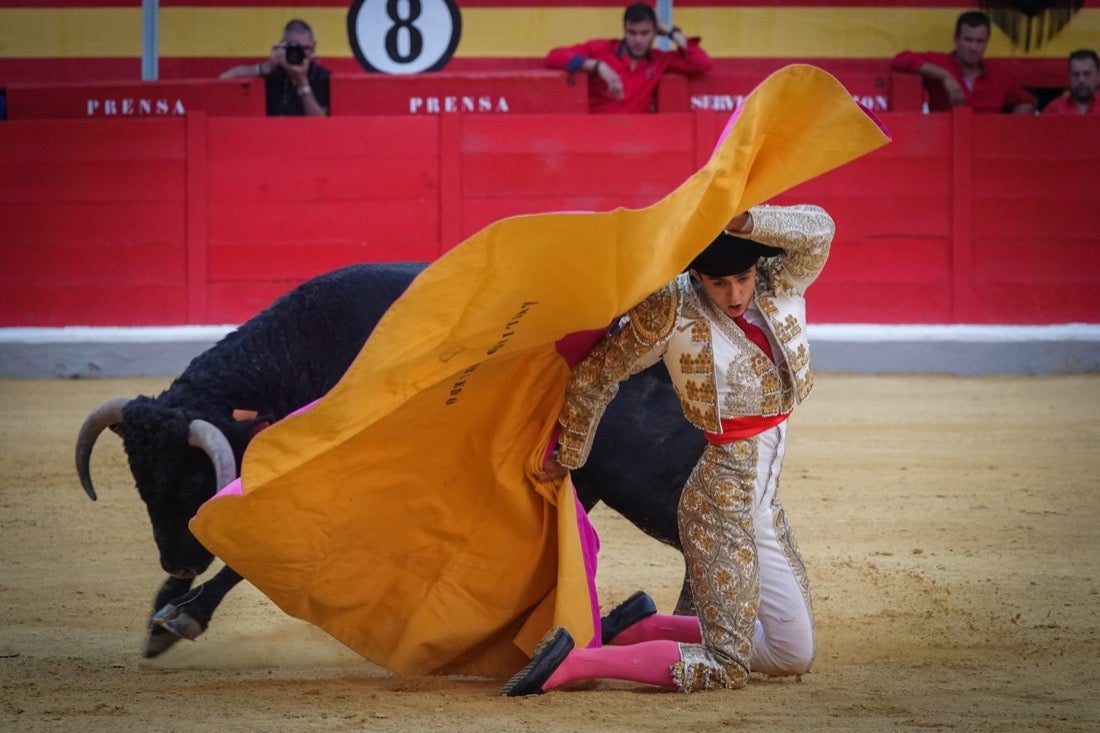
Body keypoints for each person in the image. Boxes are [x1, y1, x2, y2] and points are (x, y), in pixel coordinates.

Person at [502, 203, 833, 695]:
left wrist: (750, 222)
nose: (735, 294)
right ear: (697, 275)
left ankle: (643, 628)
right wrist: (570, 453)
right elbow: (595, 374)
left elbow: (821, 229)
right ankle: (574, 663)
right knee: (727, 664)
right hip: (719, 505)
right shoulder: (672, 311)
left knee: (791, 654)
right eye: (719, 283)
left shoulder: (779, 282)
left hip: (761, 501)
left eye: (742, 278)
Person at [545, 2, 712, 114]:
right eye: (632, 33)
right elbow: (554, 57)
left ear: (655, 32)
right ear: (624, 30)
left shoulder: (660, 59)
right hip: (596, 135)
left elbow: (702, 63)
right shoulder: (601, 49)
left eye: (645, 33)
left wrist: (671, 32)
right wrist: (599, 67)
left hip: (636, 140)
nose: (638, 40)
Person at [890, 11, 1035, 114]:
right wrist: (945, 76)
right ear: (956, 40)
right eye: (968, 40)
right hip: (945, 145)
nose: (974, 47)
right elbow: (899, 60)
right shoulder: (941, 63)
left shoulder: (999, 75)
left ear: (987, 42)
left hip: (987, 148)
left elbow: (1027, 101)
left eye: (980, 41)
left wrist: (1007, 128)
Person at [220, 19, 330, 116]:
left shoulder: (322, 77)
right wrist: (264, 68)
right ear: (283, 45)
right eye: (294, 48)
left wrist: (302, 83)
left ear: (314, 46)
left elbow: (320, 123)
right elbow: (224, 79)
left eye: (305, 48)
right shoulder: (273, 70)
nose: (299, 54)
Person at [1042, 49, 1099, 116]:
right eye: (1075, 74)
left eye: (1087, 74)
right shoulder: (1055, 109)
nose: (1081, 80)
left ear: (1098, 76)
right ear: (1069, 77)